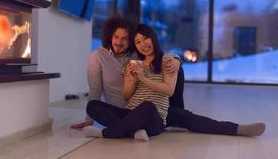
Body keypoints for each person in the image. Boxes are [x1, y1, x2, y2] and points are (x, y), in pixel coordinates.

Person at [72, 16, 265, 137]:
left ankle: (237, 129)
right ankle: (132, 130)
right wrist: (89, 120)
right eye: (116, 37)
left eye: (125, 38)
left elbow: (159, 55)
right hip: (124, 111)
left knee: (188, 118)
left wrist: (177, 60)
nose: (119, 42)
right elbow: (98, 91)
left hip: (154, 109)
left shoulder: (136, 55)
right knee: (93, 105)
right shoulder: (98, 57)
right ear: (109, 36)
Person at [82, 24, 179, 141]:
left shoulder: (167, 60)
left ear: (153, 37)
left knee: (148, 106)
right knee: (92, 105)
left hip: (154, 119)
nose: (143, 44)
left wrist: (144, 78)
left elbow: (169, 91)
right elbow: (126, 95)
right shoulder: (134, 63)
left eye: (145, 39)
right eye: (138, 42)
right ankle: (132, 133)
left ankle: (107, 133)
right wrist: (132, 80)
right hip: (130, 113)